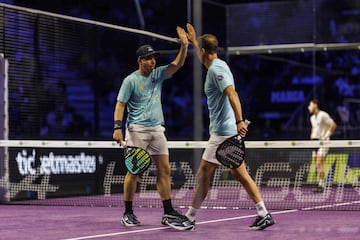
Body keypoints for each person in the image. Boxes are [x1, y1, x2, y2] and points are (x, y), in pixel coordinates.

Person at [166, 23, 276, 231]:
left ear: (205, 52)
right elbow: (203, 55)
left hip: (223, 133)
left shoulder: (216, 69)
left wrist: (239, 121)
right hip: (226, 131)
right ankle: (263, 213)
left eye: (199, 50)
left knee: (203, 175)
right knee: (239, 174)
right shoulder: (218, 64)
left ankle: (189, 219)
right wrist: (194, 41)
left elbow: (232, 93)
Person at [112, 26, 191, 228]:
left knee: (164, 170)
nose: (153, 61)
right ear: (140, 61)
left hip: (157, 130)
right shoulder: (130, 80)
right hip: (136, 130)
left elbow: (178, 64)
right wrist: (117, 127)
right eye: (148, 58)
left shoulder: (158, 75)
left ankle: (167, 212)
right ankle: (128, 213)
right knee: (134, 172)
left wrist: (184, 45)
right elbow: (120, 104)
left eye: (154, 58)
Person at [308, 99, 337, 192]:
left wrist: (326, 136)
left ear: (315, 105)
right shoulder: (312, 118)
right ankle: (321, 183)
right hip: (315, 143)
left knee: (320, 162)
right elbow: (314, 129)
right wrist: (311, 138)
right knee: (318, 164)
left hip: (324, 142)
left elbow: (333, 125)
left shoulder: (323, 115)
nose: (309, 107)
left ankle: (321, 185)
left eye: (310, 105)